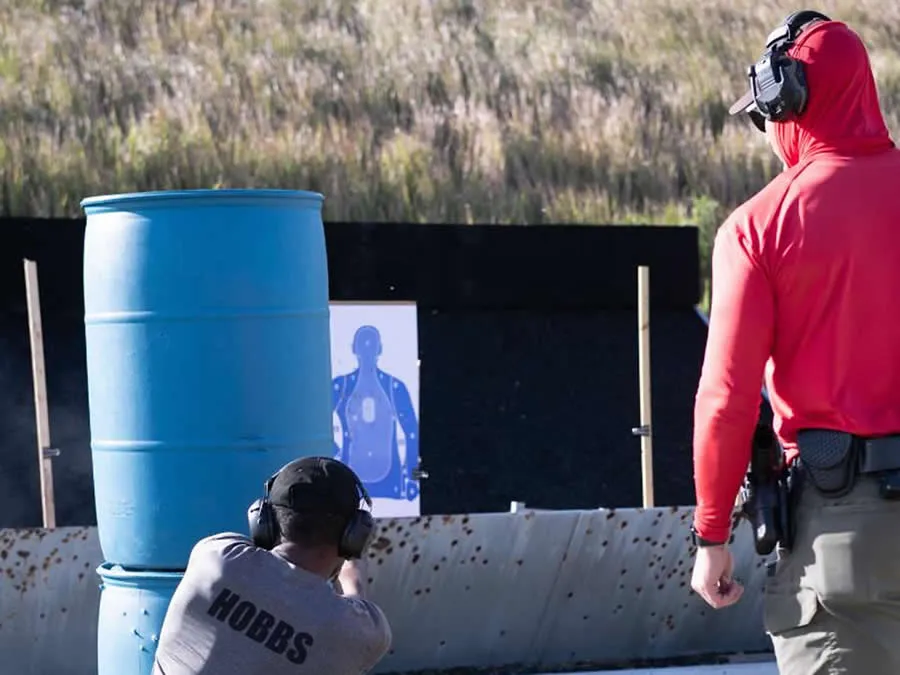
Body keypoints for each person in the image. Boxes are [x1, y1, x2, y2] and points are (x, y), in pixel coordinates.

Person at [689, 10, 900, 674]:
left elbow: (725, 401)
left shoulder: (758, 229)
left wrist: (713, 533)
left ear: (790, 100)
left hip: (842, 541)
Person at [152, 457, 392, 675]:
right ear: (354, 538)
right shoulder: (361, 631)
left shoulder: (215, 556)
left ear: (262, 522)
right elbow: (353, 616)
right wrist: (353, 581)